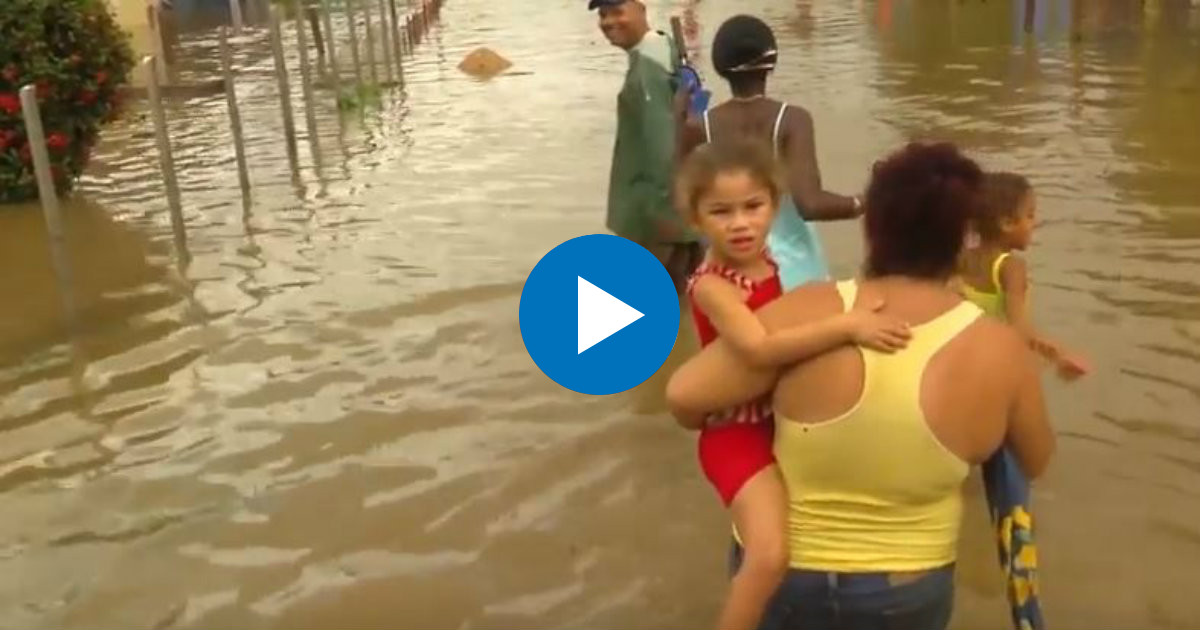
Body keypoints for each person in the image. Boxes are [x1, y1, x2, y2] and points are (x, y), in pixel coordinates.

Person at [666, 141, 1056, 630]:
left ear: (873, 228)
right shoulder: (1000, 349)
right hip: (905, 587)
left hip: (786, 579)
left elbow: (684, 397)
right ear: (965, 239)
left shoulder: (805, 308)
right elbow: (1035, 460)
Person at [678, 140, 912, 630]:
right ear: (696, 220)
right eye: (720, 212)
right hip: (735, 434)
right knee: (768, 554)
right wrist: (847, 326)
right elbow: (760, 349)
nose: (739, 223)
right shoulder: (712, 286)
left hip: (779, 424)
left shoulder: (774, 265)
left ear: (776, 206)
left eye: (753, 206)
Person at [677, 15, 863, 291]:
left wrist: (678, 117)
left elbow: (681, 195)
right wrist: (865, 201)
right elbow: (810, 204)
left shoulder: (697, 126)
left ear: (720, 67)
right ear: (772, 63)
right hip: (794, 268)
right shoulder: (792, 119)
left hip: (728, 267)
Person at [590, 0, 704, 293]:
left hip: (657, 217)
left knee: (642, 306)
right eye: (603, 14)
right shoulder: (665, 49)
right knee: (684, 302)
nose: (608, 22)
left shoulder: (647, 71)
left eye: (617, 11)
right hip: (683, 210)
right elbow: (693, 120)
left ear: (642, 8)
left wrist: (667, 220)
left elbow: (660, 147)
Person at [958, 172, 1090, 380]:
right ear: (1007, 223)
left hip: (967, 359)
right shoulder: (1011, 268)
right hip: (998, 364)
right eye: (1030, 215)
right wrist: (1059, 355)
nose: (1034, 223)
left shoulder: (962, 257)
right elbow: (1020, 330)